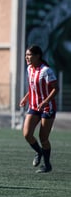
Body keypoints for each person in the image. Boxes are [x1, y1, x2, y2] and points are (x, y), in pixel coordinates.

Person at [19, 45, 59, 173]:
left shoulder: (46, 71)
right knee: (27, 134)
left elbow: (55, 88)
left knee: (43, 138)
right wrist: (26, 97)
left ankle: (47, 165)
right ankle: (39, 152)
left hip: (48, 107)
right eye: (26, 55)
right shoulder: (29, 69)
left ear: (38, 56)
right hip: (34, 106)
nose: (27, 57)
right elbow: (33, 88)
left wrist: (45, 101)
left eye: (29, 55)